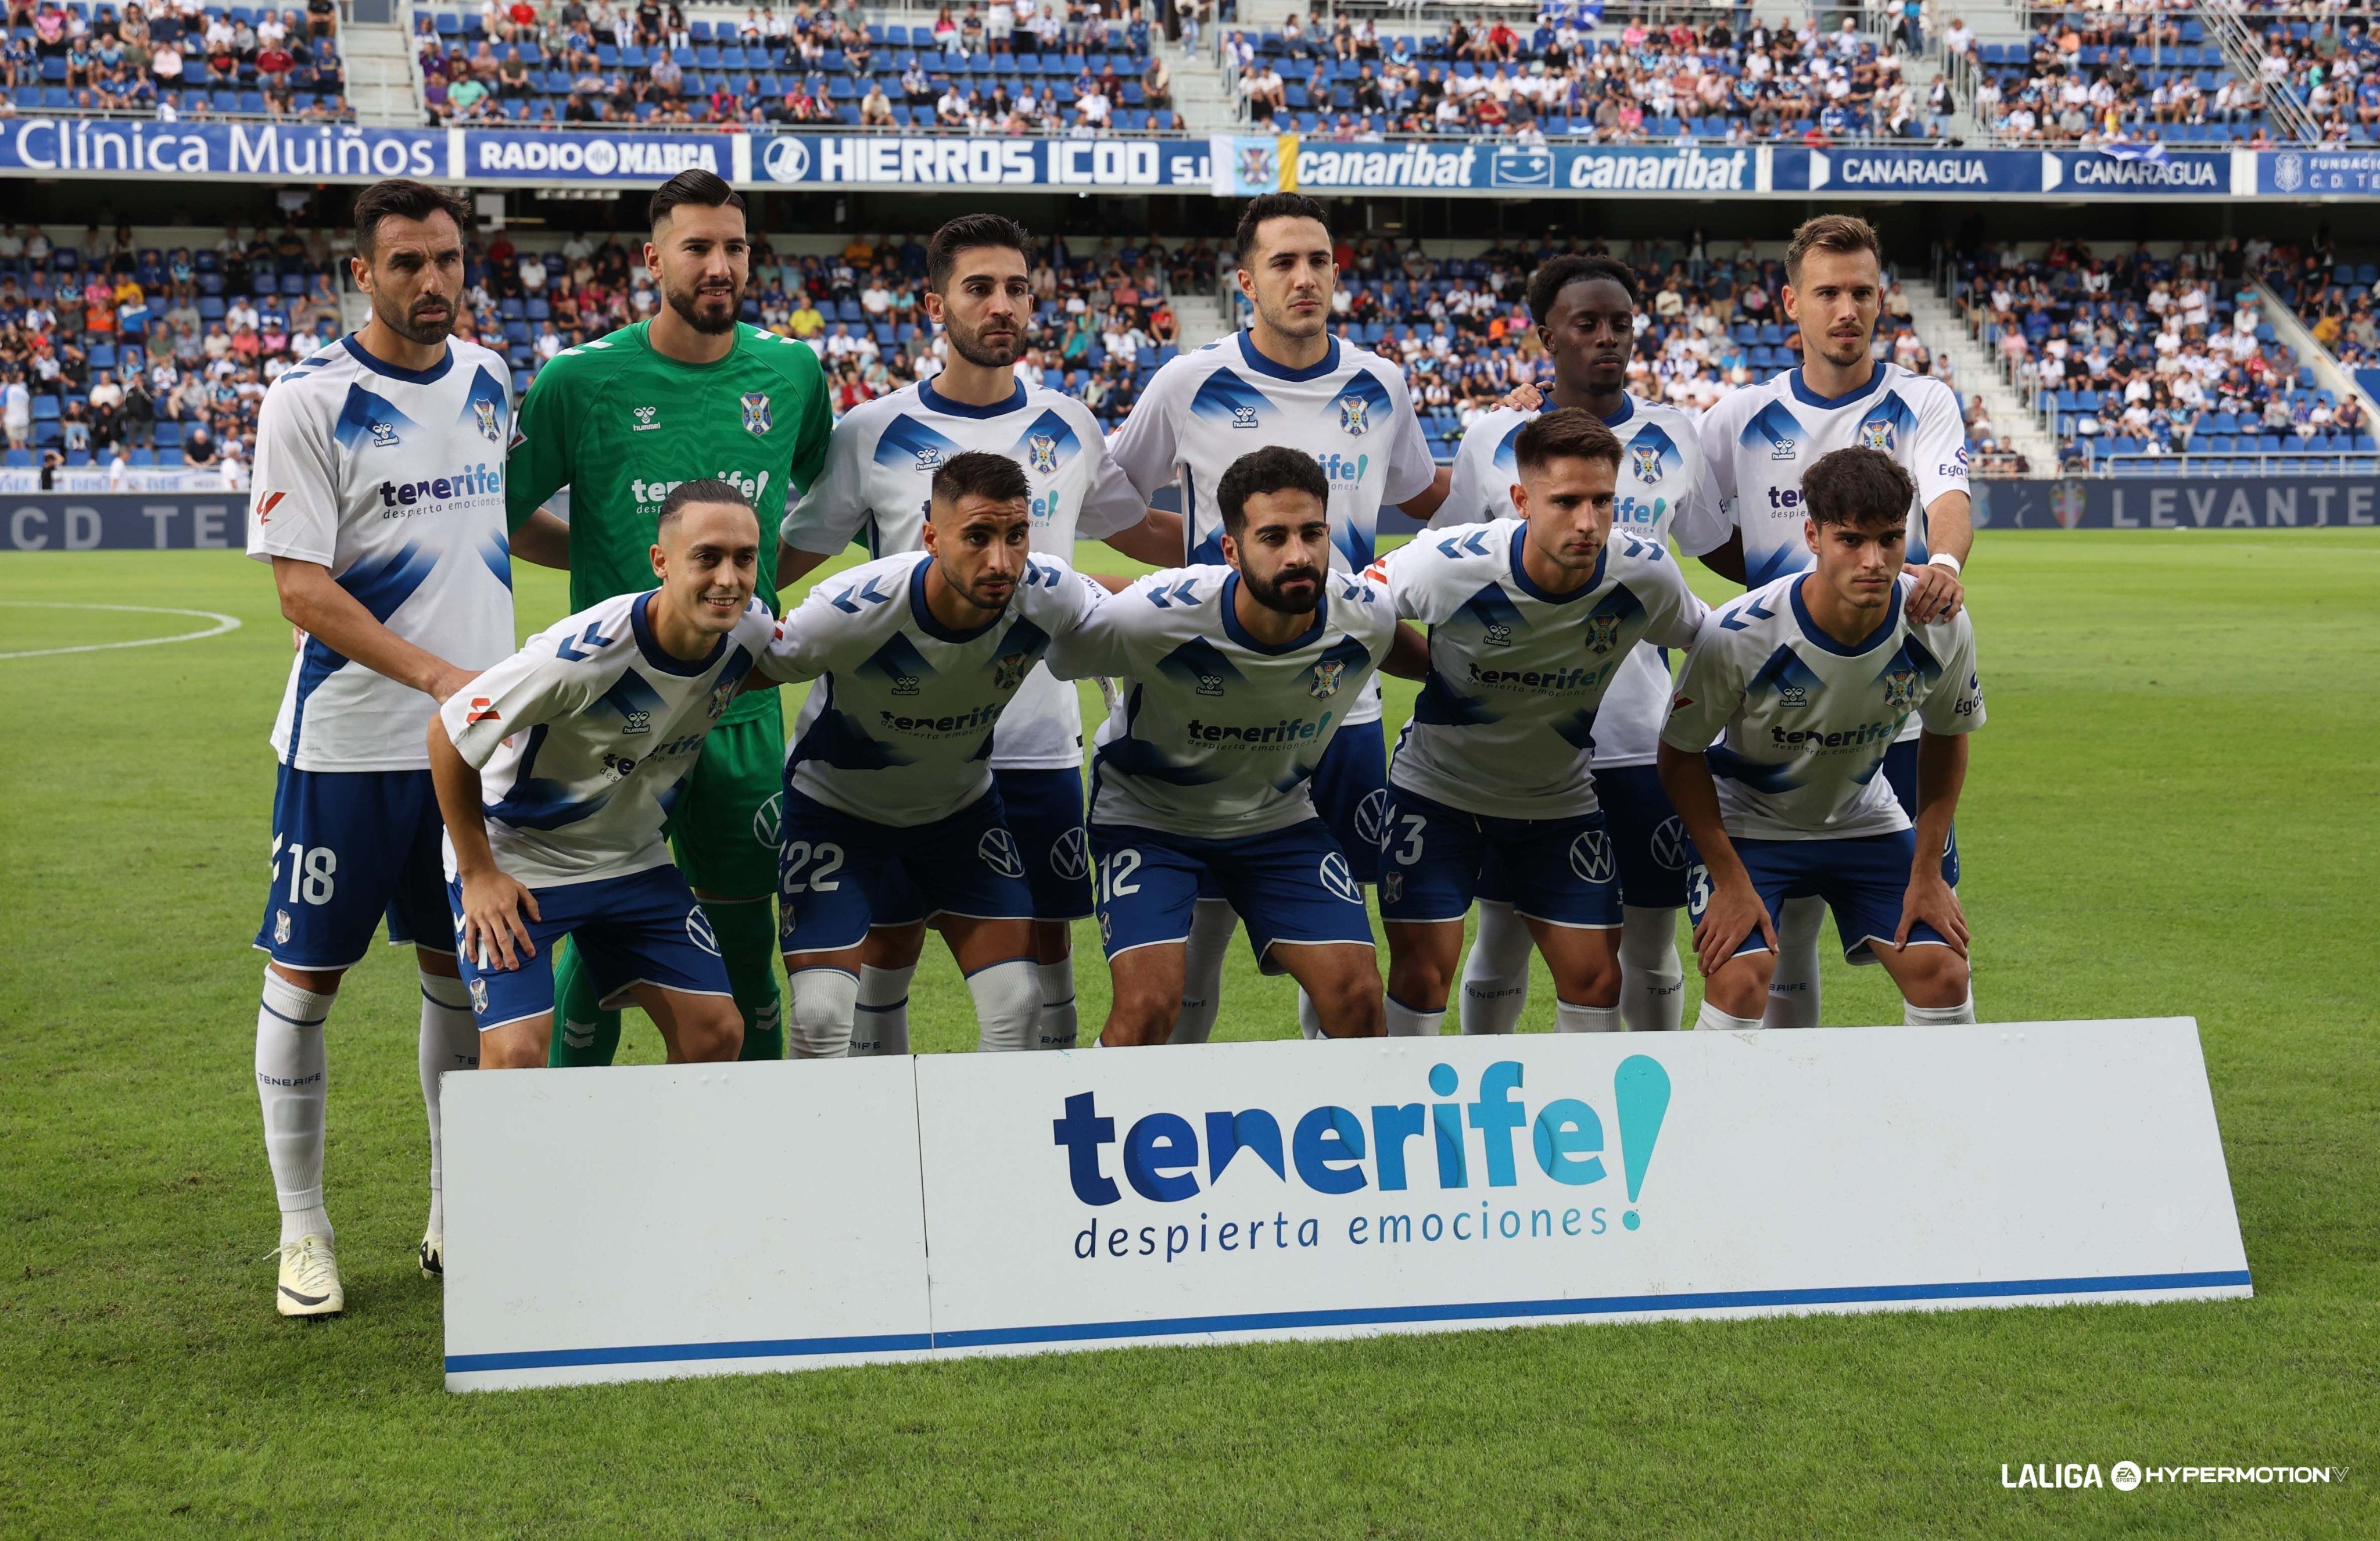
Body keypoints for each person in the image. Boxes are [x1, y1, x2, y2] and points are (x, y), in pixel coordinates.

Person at [242, 178, 567, 1316]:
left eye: (446, 261)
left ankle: (452, 1208)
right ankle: (304, 1236)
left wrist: (622, 555)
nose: (431, 283)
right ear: (362, 275)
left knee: (463, 981)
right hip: (348, 747)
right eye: (406, 265)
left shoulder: (488, 376)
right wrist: (438, 678)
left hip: (474, 753)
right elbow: (301, 589)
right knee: (308, 979)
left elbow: (495, 516)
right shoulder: (307, 399)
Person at [776, 215, 1181, 1055]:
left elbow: (1133, 535)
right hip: (897, 746)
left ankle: (1052, 1134)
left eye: (1017, 288)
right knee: (891, 939)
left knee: (1047, 945)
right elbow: (793, 558)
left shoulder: (1070, 424)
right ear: (936, 306)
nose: (1002, 306)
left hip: (1034, 740)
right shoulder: (872, 431)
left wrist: (1258, 544)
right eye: (979, 288)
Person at [505, 169, 833, 1070]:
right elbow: (495, 516)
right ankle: (571, 1157)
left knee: (743, 959)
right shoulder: (580, 380)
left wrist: (755, 580)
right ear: (654, 260)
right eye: (698, 247)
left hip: (738, 714)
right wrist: (585, 558)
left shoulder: (793, 371)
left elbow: (815, 505)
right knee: (599, 961)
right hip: (608, 722)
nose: (719, 265)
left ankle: (753, 1168)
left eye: (734, 247)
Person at [1108, 193, 1449, 1044]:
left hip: (1344, 701)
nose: (1304, 279)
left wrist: (1510, 433)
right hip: (1210, 697)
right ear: (1245, 282)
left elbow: (1425, 497)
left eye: (1319, 262)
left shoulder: (1381, 384)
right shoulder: (1190, 382)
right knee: (1199, 943)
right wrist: (1205, 575)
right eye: (1283, 264)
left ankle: (1327, 1123)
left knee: (1336, 943)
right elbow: (1109, 505)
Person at [1684, 214, 1972, 1030]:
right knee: (1783, 926)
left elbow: (1949, 501)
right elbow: (1705, 535)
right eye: (1827, 293)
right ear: (1792, 304)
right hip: (1775, 704)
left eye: (1861, 292)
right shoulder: (1739, 415)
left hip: (1893, 719)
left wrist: (1941, 568)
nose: (1847, 309)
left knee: (1932, 932)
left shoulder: (1923, 400)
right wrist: (1790, 605)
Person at [1435, 254, 1721, 1035]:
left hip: (1638, 737)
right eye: (1586, 324)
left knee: (1651, 943)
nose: (1606, 339)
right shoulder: (1496, 435)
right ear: (1545, 336)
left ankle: (1643, 1119)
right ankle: (1487, 1114)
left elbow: (1712, 547)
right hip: (1517, 740)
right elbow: (1450, 569)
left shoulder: (1674, 432)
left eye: (1620, 324)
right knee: (1501, 936)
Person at [757, 451, 1108, 1056]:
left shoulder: (1046, 592)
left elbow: (1133, 627)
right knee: (818, 1016)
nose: (1000, 561)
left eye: (1015, 536)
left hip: (959, 816)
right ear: (931, 538)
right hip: (837, 816)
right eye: (976, 537)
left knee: (1019, 1003)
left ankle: (996, 1147)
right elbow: (740, 670)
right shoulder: (854, 610)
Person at [1045, 446, 1399, 1045]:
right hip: (1147, 818)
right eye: (1273, 537)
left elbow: (1425, 660)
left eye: (1312, 533)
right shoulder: (1154, 618)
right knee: (1152, 1005)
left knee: (1358, 997)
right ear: (1230, 551)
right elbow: (1065, 652)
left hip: (1277, 820)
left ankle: (1345, 1138)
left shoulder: (1365, 619)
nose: (1298, 555)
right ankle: (1106, 1134)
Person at [1372, 409, 1705, 1038]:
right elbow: (1351, 610)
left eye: (1603, 501)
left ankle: (1586, 1129)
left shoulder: (1643, 572)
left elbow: (1713, 638)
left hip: (1558, 805)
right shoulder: (1449, 563)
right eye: (1566, 502)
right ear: (1521, 500)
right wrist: (1429, 670)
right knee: (1421, 975)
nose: (1588, 522)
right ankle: (1411, 1125)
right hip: (1437, 796)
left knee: (1596, 979)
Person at [432, 482, 779, 1070]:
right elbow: (448, 733)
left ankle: (670, 1165)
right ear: (660, 562)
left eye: (744, 558)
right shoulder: (579, 658)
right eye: (707, 557)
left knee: (716, 1034)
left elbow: (791, 656)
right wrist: (478, 872)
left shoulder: (745, 632)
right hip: (522, 858)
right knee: (516, 1054)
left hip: (631, 859)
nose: (728, 579)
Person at [1658, 447, 1984, 1030]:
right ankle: (1716, 1120)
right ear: (1812, 534)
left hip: (1862, 819)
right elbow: (1680, 754)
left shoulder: (1938, 623)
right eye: (1851, 541)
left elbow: (1947, 734)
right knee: (1738, 982)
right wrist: (1729, 879)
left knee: (1944, 974)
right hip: (1749, 826)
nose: (1875, 562)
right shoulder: (1740, 635)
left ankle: (1938, 1122)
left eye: (1889, 539)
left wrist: (1928, 871)